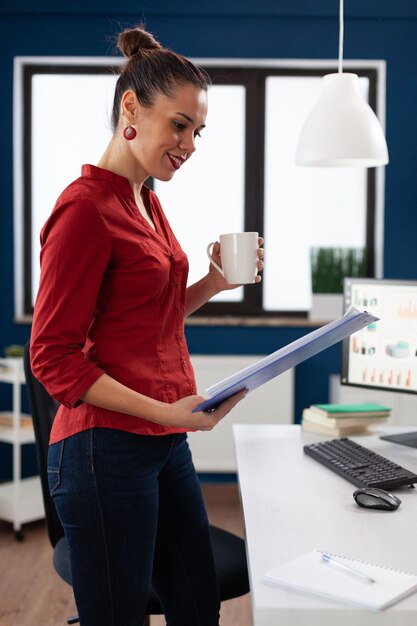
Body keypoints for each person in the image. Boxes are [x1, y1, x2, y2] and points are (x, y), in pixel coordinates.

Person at [30, 24, 263, 626]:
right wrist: (165, 412)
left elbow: (145, 319)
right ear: (131, 107)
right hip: (102, 450)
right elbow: (53, 358)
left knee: (196, 605)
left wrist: (212, 283)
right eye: (180, 125)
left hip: (163, 444)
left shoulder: (146, 198)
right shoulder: (83, 210)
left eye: (197, 131)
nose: (189, 144)